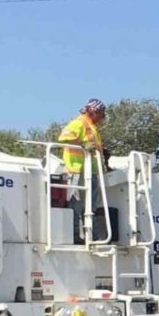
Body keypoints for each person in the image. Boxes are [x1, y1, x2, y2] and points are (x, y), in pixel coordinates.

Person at [58, 99, 107, 243]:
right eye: (100, 113)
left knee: (91, 205)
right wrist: (83, 144)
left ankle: (90, 234)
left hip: (90, 172)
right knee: (75, 204)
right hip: (76, 170)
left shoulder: (93, 127)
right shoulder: (78, 123)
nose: (102, 117)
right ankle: (73, 234)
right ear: (93, 112)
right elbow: (63, 139)